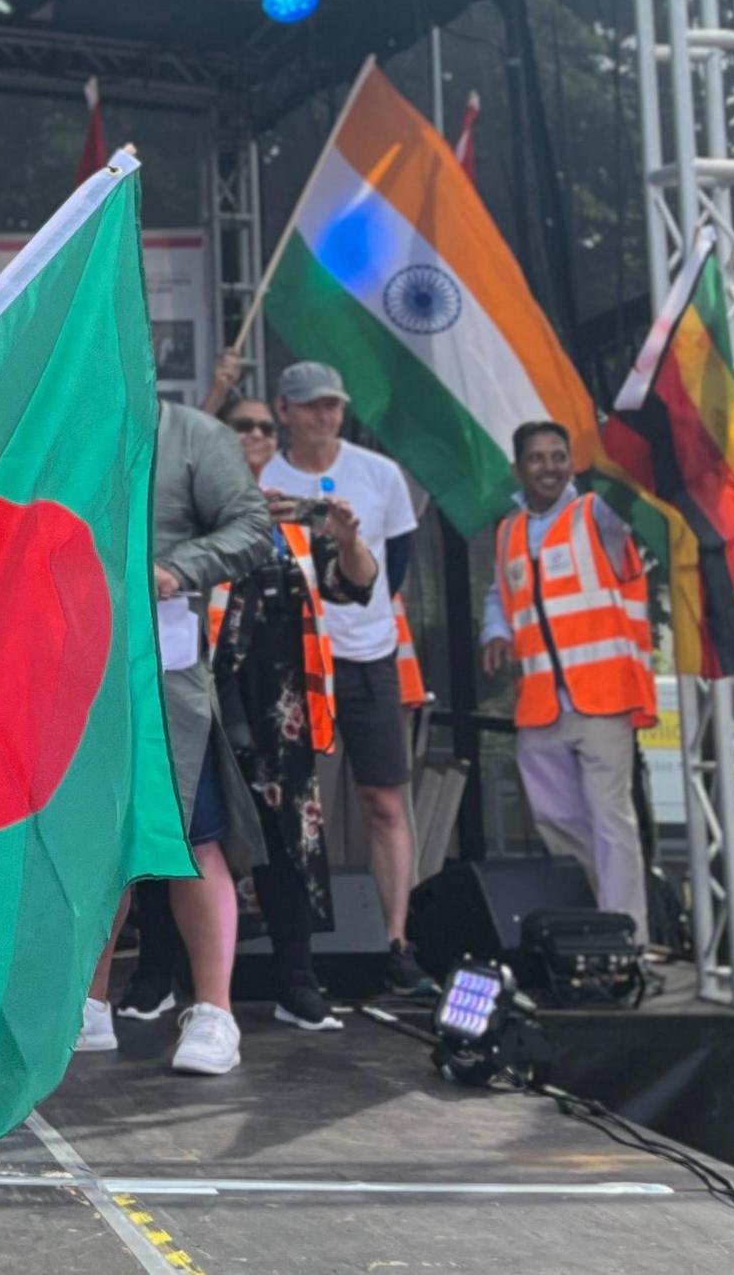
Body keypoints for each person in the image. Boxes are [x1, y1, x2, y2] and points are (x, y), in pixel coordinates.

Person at [77, 399, 272, 1076]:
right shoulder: (63, 418)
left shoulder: (193, 433)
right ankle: (88, 1003)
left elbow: (254, 526)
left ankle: (215, 1010)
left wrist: (180, 566)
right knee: (94, 840)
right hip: (75, 665)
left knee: (195, 835)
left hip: (166, 674)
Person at [258, 360, 433, 995]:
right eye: (310, 406)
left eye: (331, 405)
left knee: (384, 799)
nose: (323, 416)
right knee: (295, 810)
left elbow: (398, 565)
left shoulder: (378, 473)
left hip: (366, 655)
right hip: (292, 661)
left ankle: (397, 941)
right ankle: (297, 955)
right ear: (284, 410)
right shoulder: (263, 477)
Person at [213, 396, 377, 1031]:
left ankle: (297, 981)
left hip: (284, 710)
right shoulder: (194, 511)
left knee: (288, 844)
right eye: (241, 425)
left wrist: (348, 535)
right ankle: (166, 980)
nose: (255, 434)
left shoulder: (293, 516)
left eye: (263, 427)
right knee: (193, 841)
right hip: (207, 702)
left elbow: (355, 584)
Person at [481, 420, 655, 941]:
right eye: (538, 458)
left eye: (559, 457)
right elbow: (498, 591)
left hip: (602, 698)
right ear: (518, 468)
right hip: (541, 705)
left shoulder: (595, 516)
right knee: (555, 819)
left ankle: (629, 935)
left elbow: (625, 496)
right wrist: (495, 630)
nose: (550, 467)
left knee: (610, 820)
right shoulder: (509, 528)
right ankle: (593, 923)